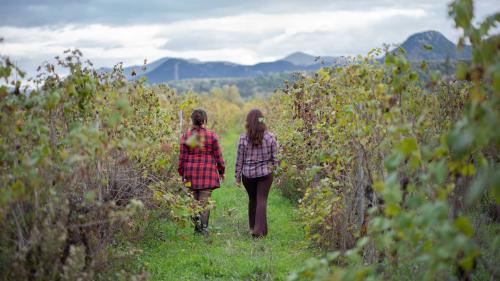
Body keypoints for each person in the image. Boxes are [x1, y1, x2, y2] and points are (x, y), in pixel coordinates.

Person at [178, 109, 225, 235]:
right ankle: (202, 229)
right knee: (204, 203)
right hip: (207, 174)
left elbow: (182, 158)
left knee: (193, 202)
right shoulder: (212, 136)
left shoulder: (186, 136)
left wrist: (182, 173)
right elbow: (218, 157)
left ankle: (197, 228)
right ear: (204, 120)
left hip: (190, 174)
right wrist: (221, 171)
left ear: (192, 120)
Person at [235, 109, 278, 237]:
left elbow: (239, 159)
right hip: (265, 174)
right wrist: (275, 171)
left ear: (248, 122)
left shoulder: (243, 138)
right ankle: (259, 231)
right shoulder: (270, 137)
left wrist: (237, 177)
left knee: (253, 199)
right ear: (262, 121)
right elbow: (275, 158)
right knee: (262, 199)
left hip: (248, 175)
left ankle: (253, 227)